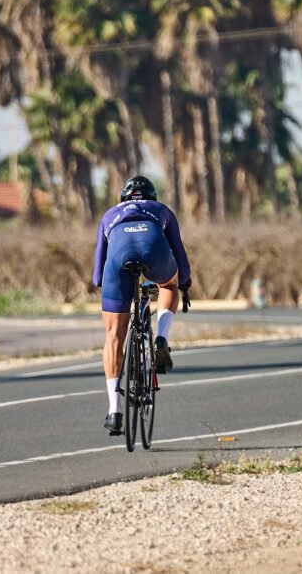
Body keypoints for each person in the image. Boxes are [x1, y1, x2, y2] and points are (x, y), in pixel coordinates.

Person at [92, 175, 192, 435]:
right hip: (154, 249)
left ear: (124, 199)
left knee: (113, 335)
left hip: (118, 258)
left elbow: (96, 275)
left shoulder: (109, 215)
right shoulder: (162, 210)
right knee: (168, 285)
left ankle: (115, 411)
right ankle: (160, 338)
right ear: (152, 197)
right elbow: (180, 258)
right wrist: (184, 283)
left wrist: (114, 293)